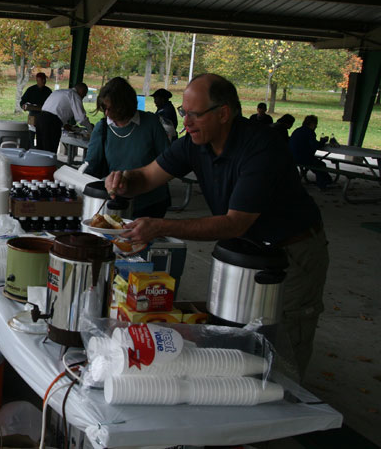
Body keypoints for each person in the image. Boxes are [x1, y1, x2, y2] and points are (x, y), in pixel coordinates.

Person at [105, 73, 327, 377]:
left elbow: (233, 224)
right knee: (233, 332)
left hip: (292, 255)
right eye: (184, 113)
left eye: (194, 115)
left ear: (223, 113)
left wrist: (160, 227)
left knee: (284, 344)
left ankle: (287, 412)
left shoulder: (262, 147)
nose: (186, 123)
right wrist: (123, 180)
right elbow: (148, 177)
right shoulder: (194, 143)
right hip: (244, 252)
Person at [85, 78, 171, 218]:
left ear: (124, 105)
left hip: (151, 202)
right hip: (117, 203)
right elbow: (91, 165)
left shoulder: (150, 123)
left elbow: (168, 160)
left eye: (111, 108)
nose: (106, 113)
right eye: (104, 108)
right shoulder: (102, 128)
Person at [34, 83, 92, 154]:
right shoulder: (74, 95)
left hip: (40, 118)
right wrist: (91, 129)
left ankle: (39, 164)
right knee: (49, 151)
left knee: (41, 149)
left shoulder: (59, 92)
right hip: (51, 122)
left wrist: (64, 124)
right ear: (82, 91)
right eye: (84, 95)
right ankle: (48, 164)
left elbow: (56, 109)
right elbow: (81, 118)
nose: (83, 97)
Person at [289, 115, 333, 190]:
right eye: (315, 124)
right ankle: (323, 184)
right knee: (320, 165)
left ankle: (327, 181)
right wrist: (323, 141)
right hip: (302, 157)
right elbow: (315, 146)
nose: (316, 126)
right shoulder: (309, 132)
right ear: (312, 124)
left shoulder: (298, 130)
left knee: (316, 163)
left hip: (292, 156)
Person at [20, 72, 52, 146]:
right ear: (37, 80)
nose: (44, 81)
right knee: (31, 134)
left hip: (44, 115)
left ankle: (40, 149)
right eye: (42, 79)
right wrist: (24, 106)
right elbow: (22, 101)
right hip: (32, 115)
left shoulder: (48, 91)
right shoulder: (30, 90)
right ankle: (30, 148)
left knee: (42, 135)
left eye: (45, 79)